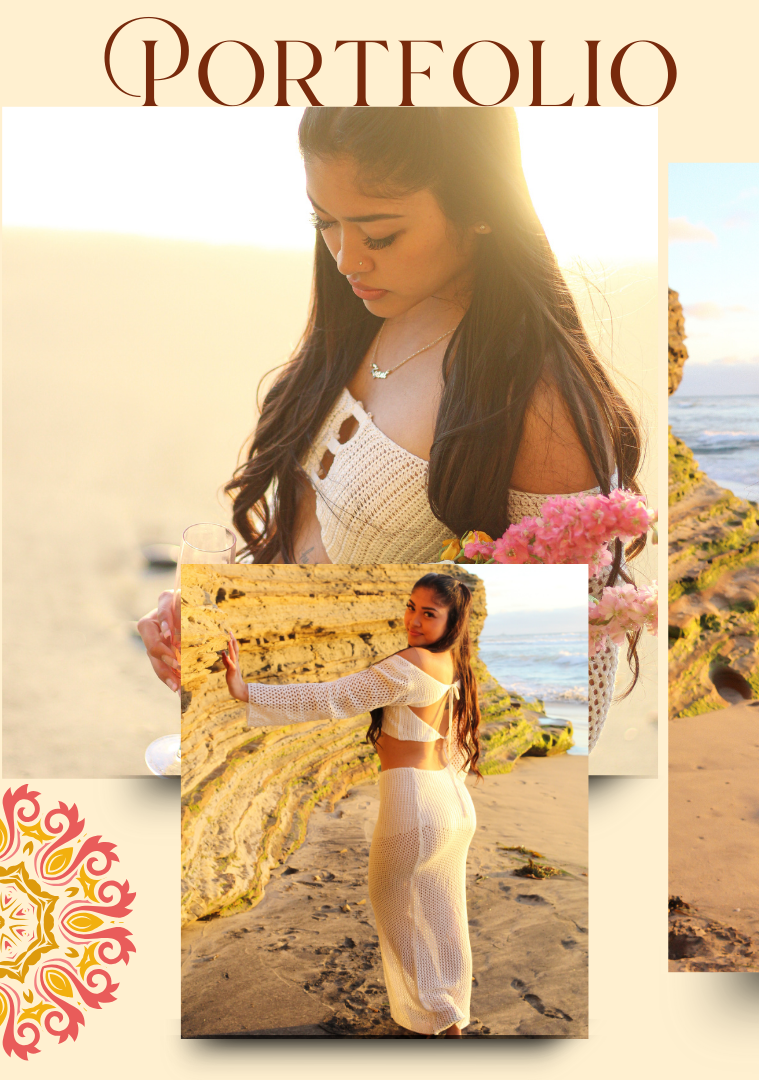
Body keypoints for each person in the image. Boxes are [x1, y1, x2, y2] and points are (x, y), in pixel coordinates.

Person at [135, 108, 644, 750]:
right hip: (271, 724)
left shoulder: (536, 403)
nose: (347, 260)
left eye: (379, 234)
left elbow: (565, 699)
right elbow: (314, 547)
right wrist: (218, 609)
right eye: (325, 223)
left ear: (481, 206)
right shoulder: (367, 317)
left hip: (367, 774)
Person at [225, 573, 481, 1036]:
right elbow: (457, 742)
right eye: (411, 607)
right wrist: (451, 799)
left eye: (429, 613)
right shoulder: (452, 665)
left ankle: (441, 1021)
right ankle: (450, 1012)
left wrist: (248, 691)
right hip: (449, 799)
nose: (414, 621)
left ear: (452, 620)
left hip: (415, 801)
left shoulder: (411, 664)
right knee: (443, 913)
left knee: (394, 905)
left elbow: (333, 697)